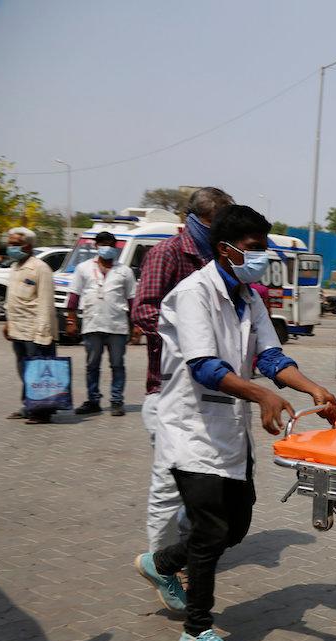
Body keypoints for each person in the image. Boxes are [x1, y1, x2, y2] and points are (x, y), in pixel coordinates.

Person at [133, 205, 336, 641]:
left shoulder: (249, 296)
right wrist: (261, 397)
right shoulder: (193, 294)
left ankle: (160, 562)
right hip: (190, 427)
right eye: (252, 248)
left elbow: (269, 356)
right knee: (209, 531)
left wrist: (313, 388)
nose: (260, 256)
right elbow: (204, 367)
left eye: (263, 247)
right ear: (224, 250)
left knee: (237, 527)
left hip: (229, 428)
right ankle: (197, 630)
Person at [132, 187, 233, 552]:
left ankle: (185, 554)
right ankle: (161, 562)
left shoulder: (220, 260)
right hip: (168, 388)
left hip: (212, 392)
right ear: (196, 220)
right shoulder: (168, 253)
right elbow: (143, 310)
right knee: (171, 482)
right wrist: (192, 335)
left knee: (204, 481)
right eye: (216, 223)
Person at [68, 231, 136, 416]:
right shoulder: (83, 268)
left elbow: (132, 299)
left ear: (115, 248)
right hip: (92, 323)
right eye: (103, 244)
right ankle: (93, 400)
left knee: (117, 364)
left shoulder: (124, 271)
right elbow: (74, 295)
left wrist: (136, 325)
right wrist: (71, 319)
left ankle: (116, 401)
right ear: (96, 246)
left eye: (110, 245)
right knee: (92, 365)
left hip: (117, 325)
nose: (107, 248)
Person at [3, 227, 57, 424]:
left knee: (38, 371)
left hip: (35, 331)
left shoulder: (40, 268)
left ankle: (41, 412)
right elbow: (12, 298)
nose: (10, 247)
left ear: (28, 245)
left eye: (15, 244)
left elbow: (45, 303)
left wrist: (43, 334)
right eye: (9, 243)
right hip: (18, 329)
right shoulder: (15, 267)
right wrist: (8, 323)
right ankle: (28, 406)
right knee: (25, 370)